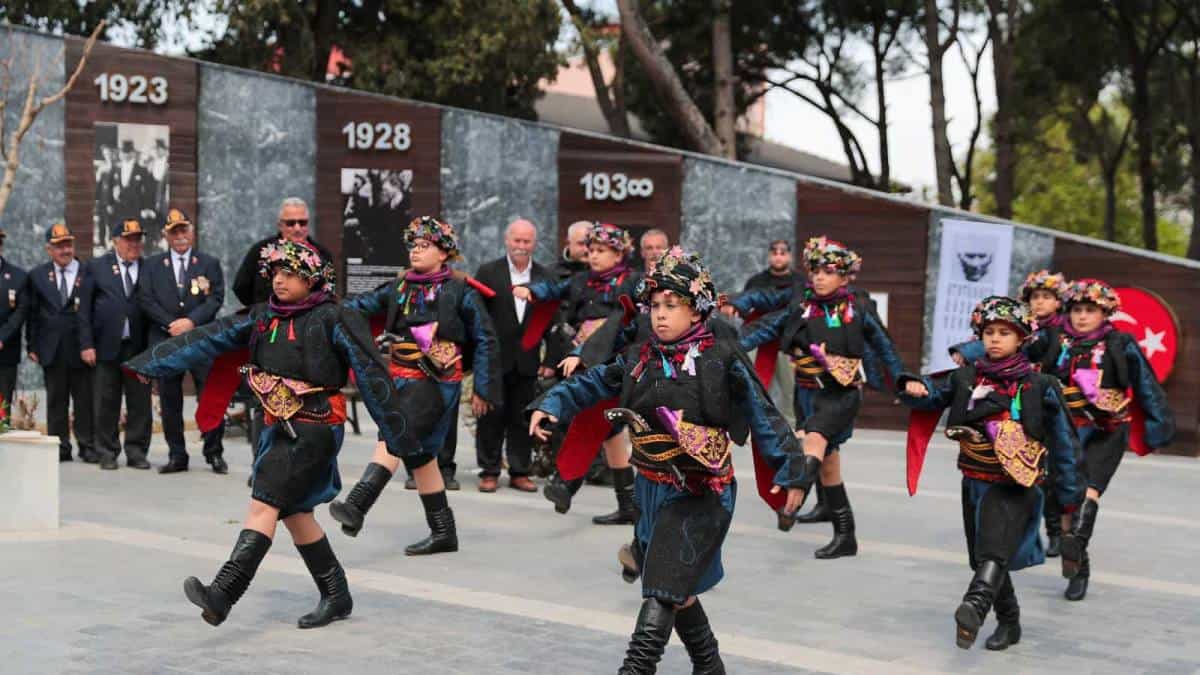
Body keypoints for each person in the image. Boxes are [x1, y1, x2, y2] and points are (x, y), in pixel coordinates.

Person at [529, 248, 805, 673]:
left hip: (702, 492)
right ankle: (710, 666)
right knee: (677, 584)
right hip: (651, 489)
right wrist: (552, 403)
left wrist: (792, 472)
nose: (660, 315)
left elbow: (765, 416)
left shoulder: (722, 359)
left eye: (671, 306)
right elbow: (592, 382)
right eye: (655, 306)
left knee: (661, 588)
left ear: (696, 311)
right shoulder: (639, 358)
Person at [125, 240, 422, 628]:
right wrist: (155, 362)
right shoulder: (264, 316)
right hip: (276, 426)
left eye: (290, 274)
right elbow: (210, 336)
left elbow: (371, 373)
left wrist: (395, 433)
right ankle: (336, 595)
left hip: (314, 428)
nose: (279, 281)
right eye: (276, 273)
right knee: (296, 514)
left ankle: (223, 594)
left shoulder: (335, 317)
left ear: (312, 279)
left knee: (263, 505)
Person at [898, 296, 1084, 651]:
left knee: (993, 553)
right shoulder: (965, 377)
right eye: (988, 332)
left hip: (1016, 484)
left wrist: (1070, 498)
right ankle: (1010, 623)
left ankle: (974, 606)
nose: (995, 339)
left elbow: (1065, 442)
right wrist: (915, 388)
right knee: (984, 556)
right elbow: (934, 396)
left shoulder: (1039, 384)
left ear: (1021, 339)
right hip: (974, 480)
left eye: (1004, 333)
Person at [331, 216, 501, 555]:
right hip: (401, 377)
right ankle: (443, 533)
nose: (416, 251)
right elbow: (358, 308)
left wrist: (483, 387)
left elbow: (486, 338)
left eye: (425, 246)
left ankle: (357, 505)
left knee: (396, 433)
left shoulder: (461, 290)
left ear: (444, 253)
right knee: (422, 458)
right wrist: (325, 309)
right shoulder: (399, 286)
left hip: (438, 382)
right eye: (414, 245)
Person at [738, 236, 906, 558]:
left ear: (844, 276)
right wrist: (730, 343)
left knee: (813, 440)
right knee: (829, 467)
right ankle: (846, 535)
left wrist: (902, 379)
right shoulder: (802, 304)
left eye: (828, 272)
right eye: (815, 270)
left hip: (840, 394)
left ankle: (793, 497)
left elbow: (885, 346)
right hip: (807, 393)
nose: (819, 277)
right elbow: (766, 328)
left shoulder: (859, 308)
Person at [1038, 278, 1174, 601]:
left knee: (1089, 491)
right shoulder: (1056, 340)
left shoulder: (1119, 342)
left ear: (1105, 312)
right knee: (1068, 498)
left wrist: (1158, 426)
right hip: (1065, 431)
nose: (1082, 317)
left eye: (1090, 310)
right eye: (1076, 310)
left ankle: (1076, 545)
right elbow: (1023, 357)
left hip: (1106, 430)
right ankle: (1078, 566)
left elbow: (1146, 384)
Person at [513, 222, 642, 524]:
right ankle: (627, 505)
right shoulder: (581, 279)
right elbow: (554, 289)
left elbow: (631, 320)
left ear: (619, 253)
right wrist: (532, 291)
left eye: (601, 250)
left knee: (592, 420)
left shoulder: (632, 282)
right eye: (591, 250)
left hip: (614, 360)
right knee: (609, 433)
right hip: (580, 359)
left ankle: (567, 482)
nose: (594, 256)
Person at [138, 209, 227, 474]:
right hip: (166, 340)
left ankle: (214, 453)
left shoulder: (208, 262)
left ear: (191, 231)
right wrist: (171, 324)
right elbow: (146, 299)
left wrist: (190, 322)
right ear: (166, 235)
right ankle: (177, 455)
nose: (180, 236)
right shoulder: (153, 265)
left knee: (209, 397)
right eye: (174, 231)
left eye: (184, 230)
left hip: (199, 339)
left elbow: (216, 298)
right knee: (169, 399)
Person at [472, 219, 546, 492]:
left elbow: (551, 319)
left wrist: (551, 361)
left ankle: (519, 472)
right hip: (493, 361)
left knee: (522, 418)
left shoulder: (543, 276)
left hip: (527, 362)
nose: (522, 246)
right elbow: (476, 318)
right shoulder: (488, 272)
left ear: (534, 244)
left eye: (527, 241)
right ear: (507, 240)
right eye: (517, 240)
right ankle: (489, 471)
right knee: (490, 418)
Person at [78, 219, 152, 470]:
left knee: (140, 402)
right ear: (115, 241)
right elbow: (84, 310)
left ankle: (137, 451)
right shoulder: (97, 267)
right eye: (128, 239)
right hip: (106, 346)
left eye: (137, 239)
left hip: (139, 348)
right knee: (105, 402)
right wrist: (86, 344)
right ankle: (107, 451)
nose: (134, 244)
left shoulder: (148, 267)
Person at [27, 224, 96, 462]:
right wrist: (32, 346)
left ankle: (87, 445)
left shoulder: (89, 272)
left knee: (84, 400)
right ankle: (60, 447)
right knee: (56, 401)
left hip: (81, 347)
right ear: (49, 249)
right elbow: (33, 314)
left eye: (68, 244)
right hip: (51, 349)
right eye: (59, 246)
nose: (65, 250)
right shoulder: (37, 275)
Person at [233, 198, 334, 307]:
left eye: (302, 223)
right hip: (268, 318)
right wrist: (259, 310)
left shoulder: (322, 254)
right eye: (290, 223)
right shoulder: (261, 250)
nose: (297, 228)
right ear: (280, 225)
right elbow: (241, 287)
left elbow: (329, 289)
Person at [0, 227, 30, 408]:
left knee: (2, 409)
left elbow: (21, 311)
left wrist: (2, 337)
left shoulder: (18, 277)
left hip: (5, 353)